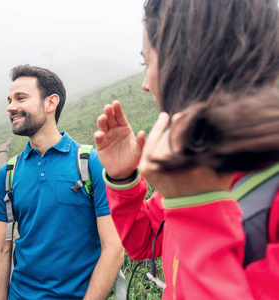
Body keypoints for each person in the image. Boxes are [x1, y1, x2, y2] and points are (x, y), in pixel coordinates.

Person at [94, 0, 279, 299]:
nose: (145, 83)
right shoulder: (199, 161)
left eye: (148, 63)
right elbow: (146, 243)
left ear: (189, 62)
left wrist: (199, 206)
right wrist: (122, 178)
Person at [0, 65, 124, 299]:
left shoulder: (90, 163)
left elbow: (113, 247)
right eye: (10, 100)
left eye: (21, 98)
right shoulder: (8, 173)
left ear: (51, 103)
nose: (11, 107)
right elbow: (0, 247)